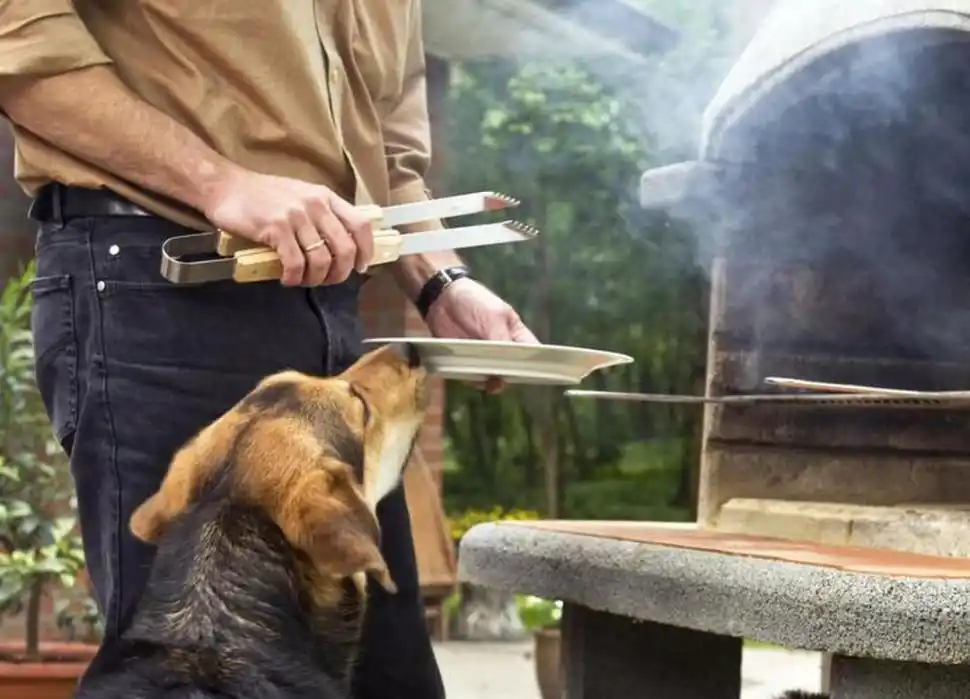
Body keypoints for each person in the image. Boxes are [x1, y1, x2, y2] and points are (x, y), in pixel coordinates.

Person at [0, 2, 537, 697]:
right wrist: (221, 183)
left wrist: (442, 282)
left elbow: (392, 161)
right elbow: (17, 38)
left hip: (327, 310)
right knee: (202, 673)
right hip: (163, 285)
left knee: (385, 672)